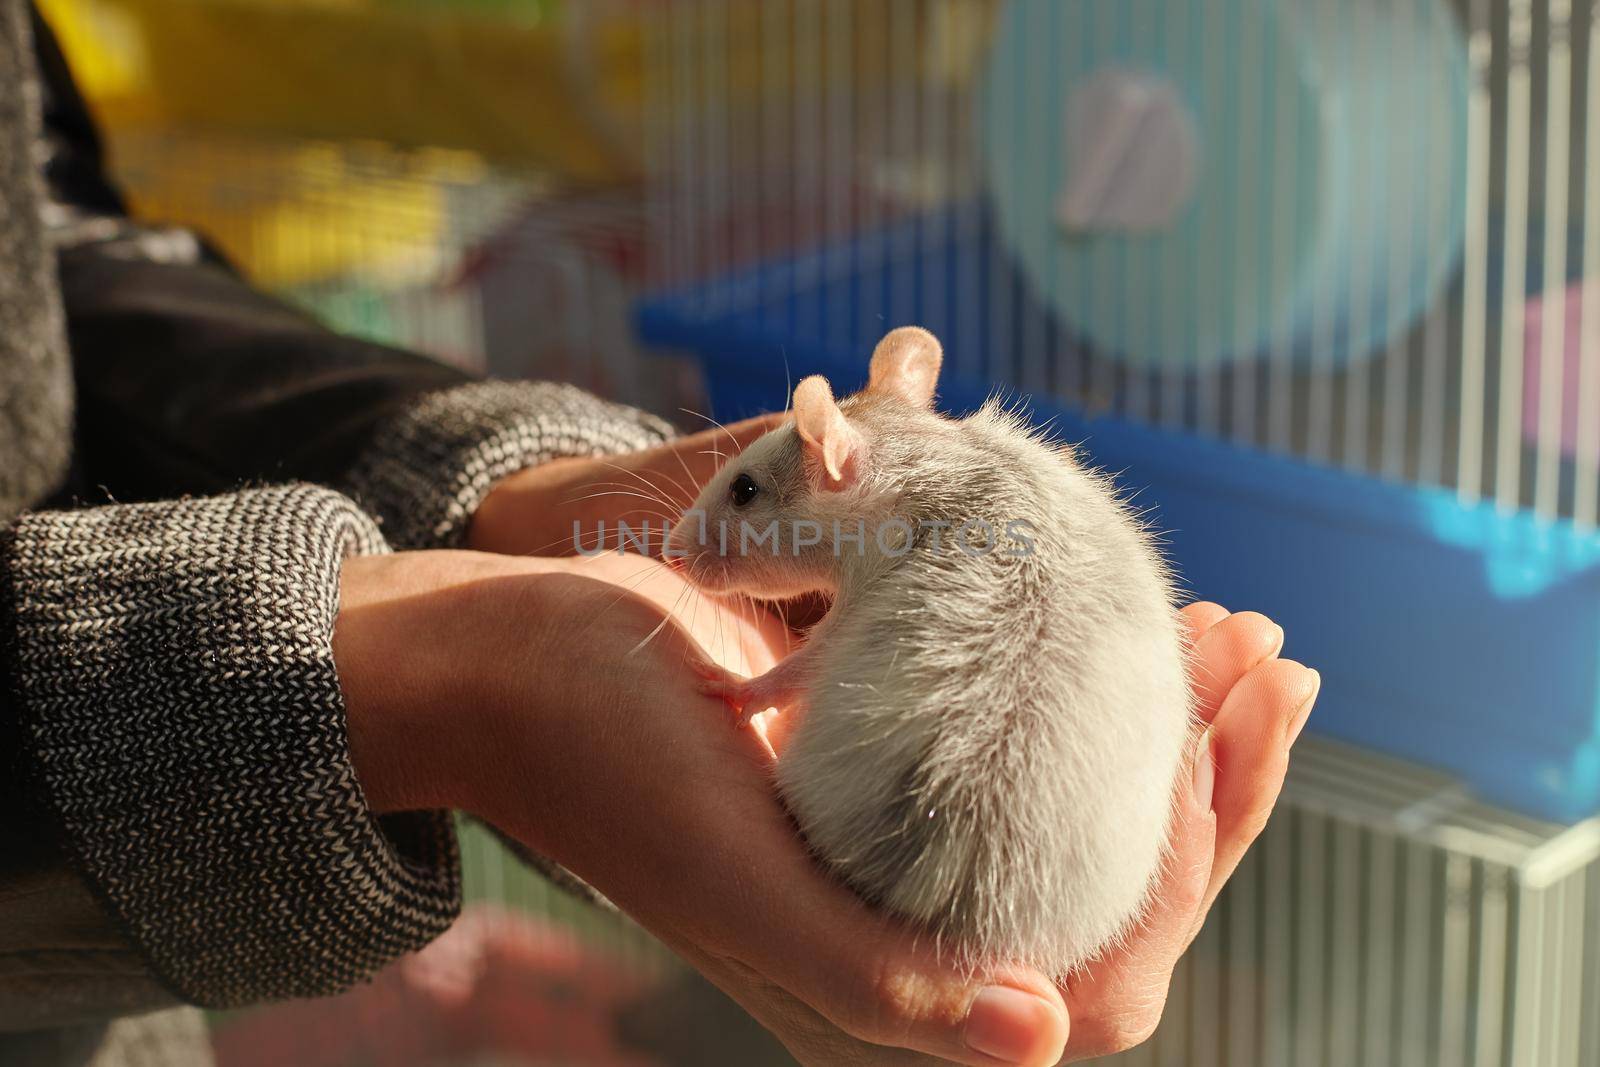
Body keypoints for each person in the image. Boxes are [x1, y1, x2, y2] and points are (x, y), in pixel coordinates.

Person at [0, 3, 1320, 1065]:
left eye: (747, 497)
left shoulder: (890, 514)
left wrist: (515, 500)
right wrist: (414, 684)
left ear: (838, 459)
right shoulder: (969, 499)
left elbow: (49, 249)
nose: (698, 535)